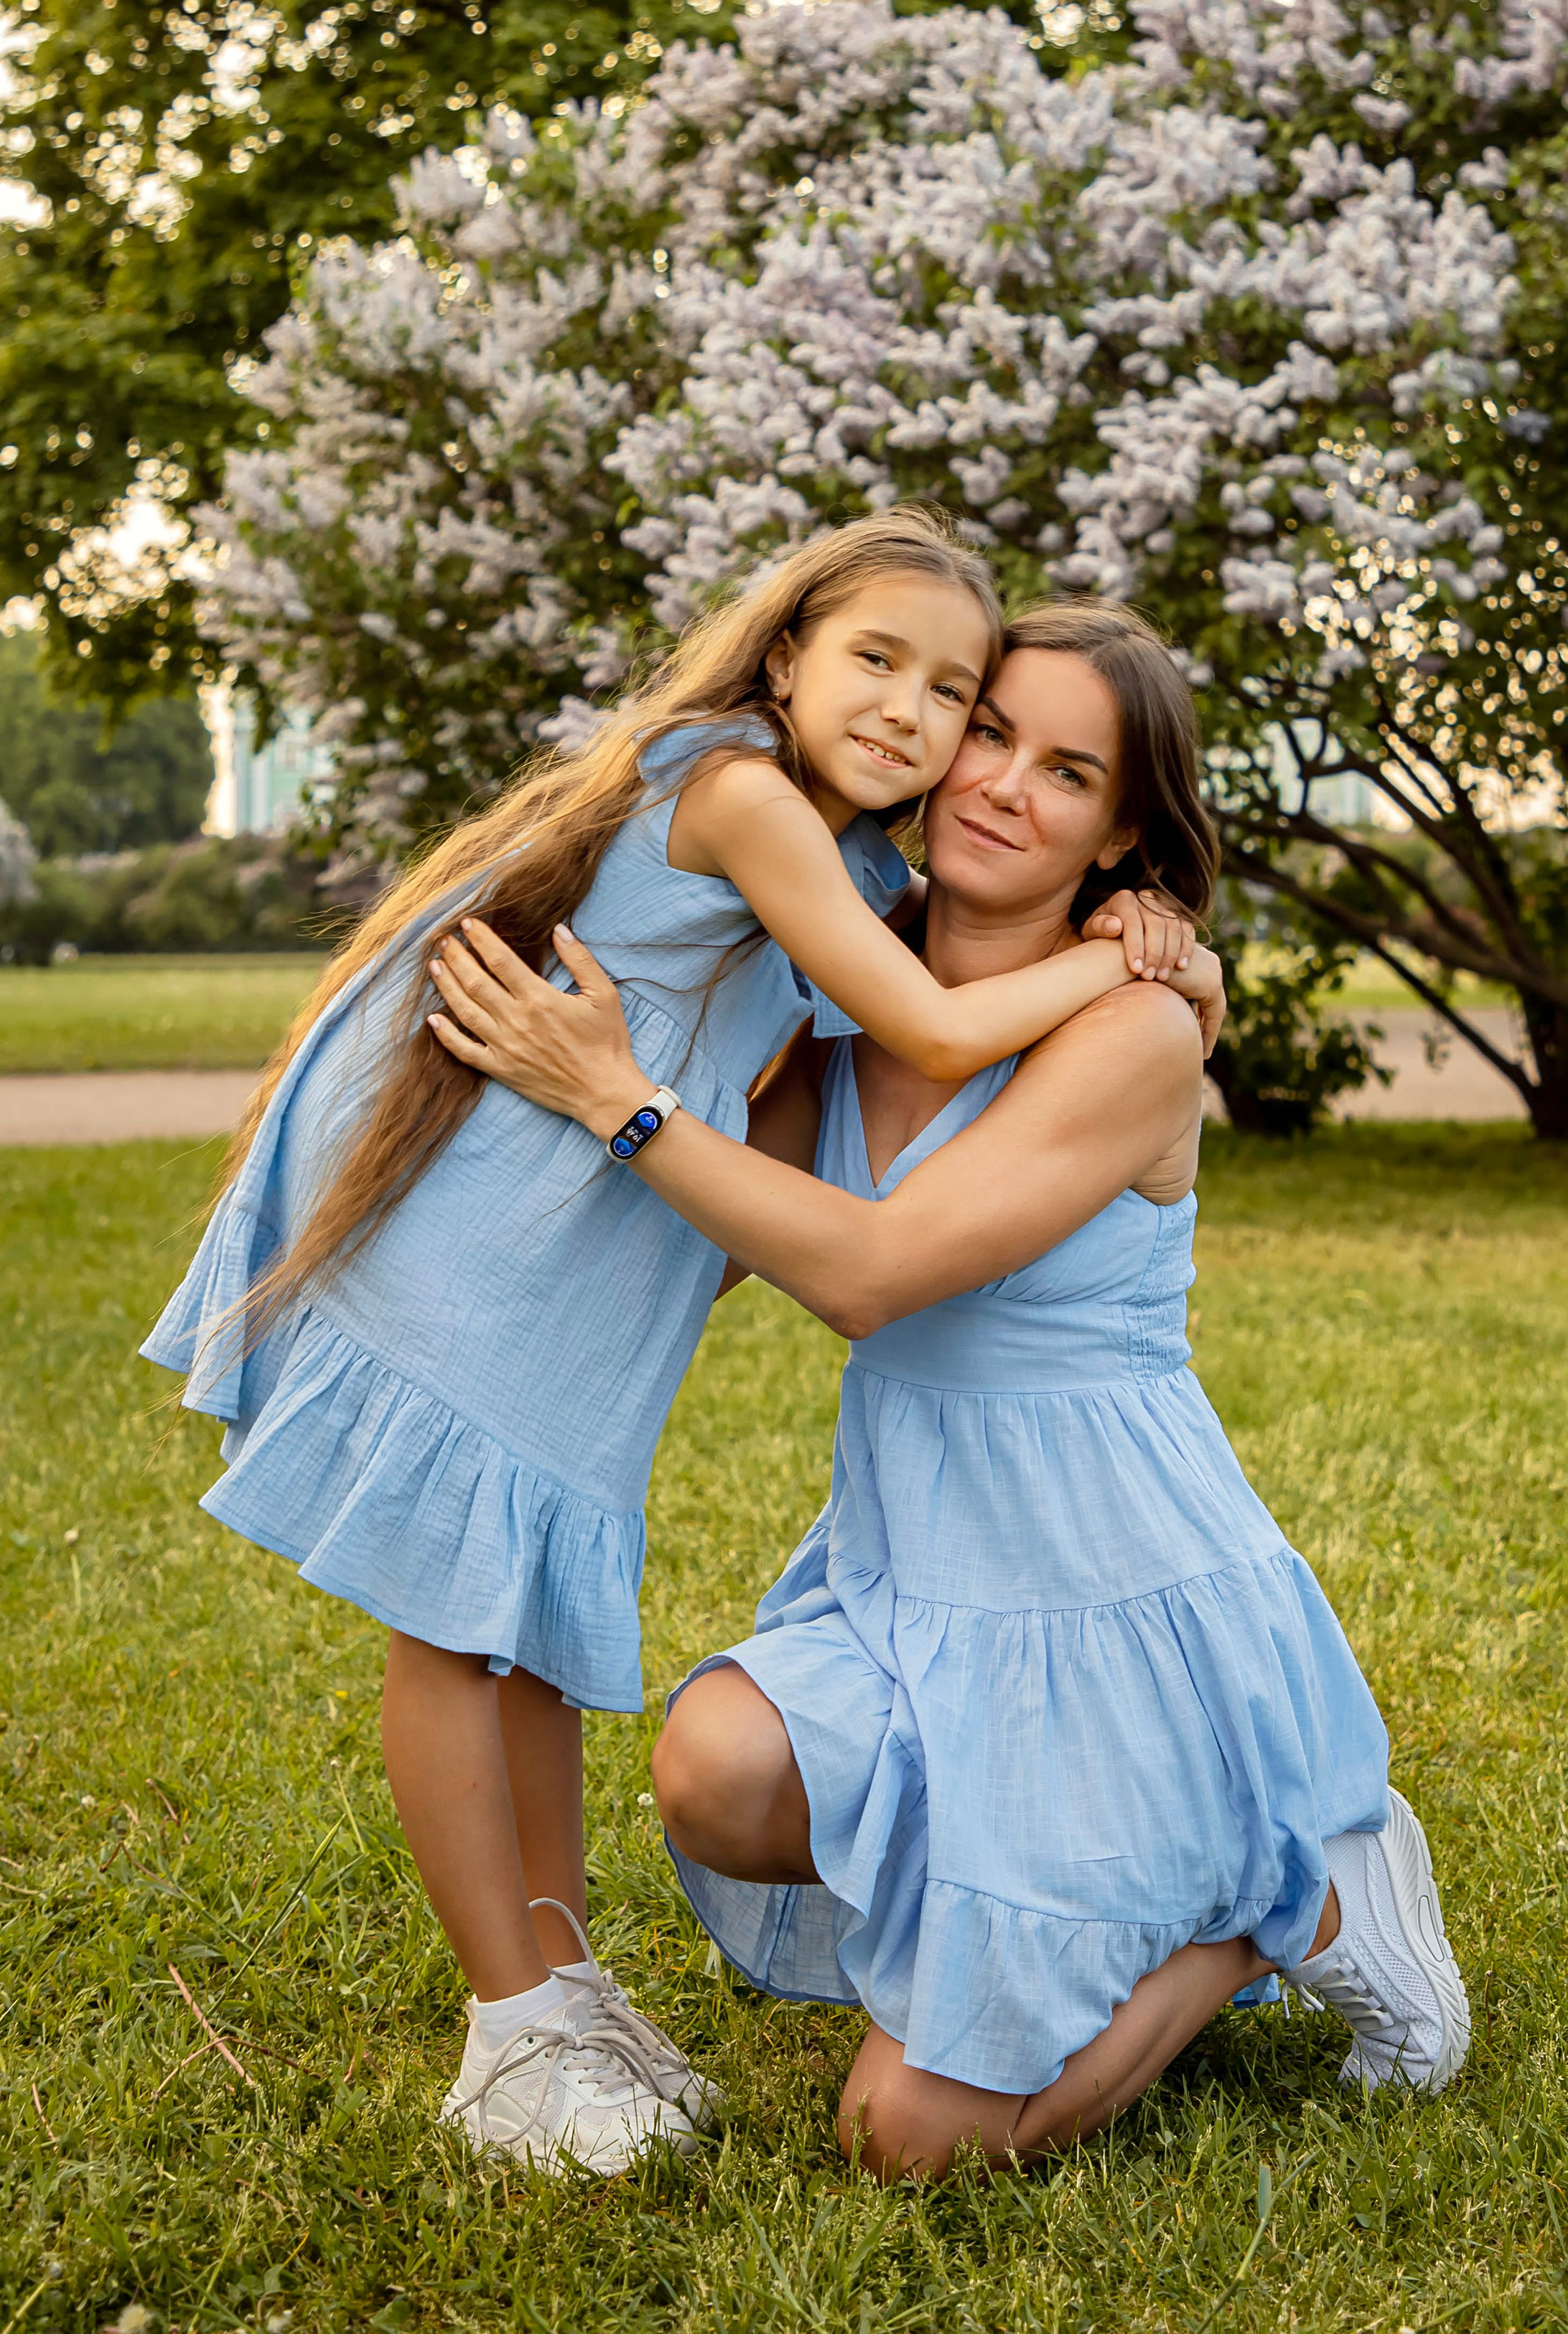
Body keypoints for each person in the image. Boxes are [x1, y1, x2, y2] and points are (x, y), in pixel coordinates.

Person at [141, 515, 1221, 2180]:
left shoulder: (854, 861)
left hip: (579, 1257)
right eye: (880, 662)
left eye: (953, 693)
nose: (917, 719)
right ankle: (508, 2030)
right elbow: (929, 1025)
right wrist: (1118, 955)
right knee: (453, 1624)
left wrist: (1164, 952)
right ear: (782, 653)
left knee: (530, 1622)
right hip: (496, 1229)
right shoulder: (736, 792)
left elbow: (832, 1086)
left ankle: (561, 1986)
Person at [427, 597, 1470, 2184]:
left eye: (1066, 773)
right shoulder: (837, 1013)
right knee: (711, 1770)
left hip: (1112, 1605)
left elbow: (865, 1269)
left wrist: (618, 1099)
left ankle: (1296, 1897)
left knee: (904, 2141)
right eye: (987, 730)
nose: (997, 783)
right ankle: (1041, 1902)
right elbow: (685, 1249)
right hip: (913, 1580)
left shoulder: (1133, 1030)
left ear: (1123, 829)